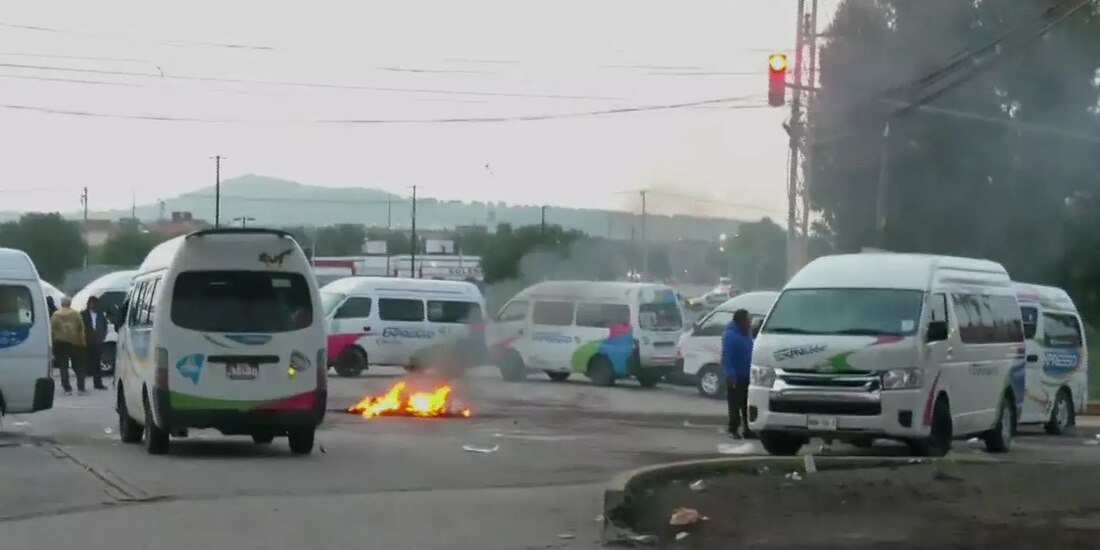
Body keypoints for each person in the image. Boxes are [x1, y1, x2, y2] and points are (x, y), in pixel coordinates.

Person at [721, 308, 754, 439]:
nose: (749, 323)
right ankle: (733, 429)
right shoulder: (730, 336)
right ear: (741, 321)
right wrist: (731, 375)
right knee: (735, 404)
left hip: (747, 375)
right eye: (747, 320)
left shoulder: (745, 334)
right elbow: (727, 358)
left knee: (746, 404)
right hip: (736, 376)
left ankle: (748, 429)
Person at [50, 297, 87, 395]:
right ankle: (81, 388)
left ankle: (67, 389)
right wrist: (82, 342)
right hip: (75, 343)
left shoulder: (56, 315)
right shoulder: (76, 314)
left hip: (60, 343)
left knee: (63, 366)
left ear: (62, 304)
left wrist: (52, 343)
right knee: (78, 366)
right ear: (70, 303)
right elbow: (81, 329)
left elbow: (52, 330)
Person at [81, 296, 110, 390]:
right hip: (86, 341)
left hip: (97, 341)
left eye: (94, 304)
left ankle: (98, 384)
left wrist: (102, 336)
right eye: (91, 303)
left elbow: (104, 326)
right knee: (84, 363)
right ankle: (81, 385)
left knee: (97, 363)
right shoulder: (83, 314)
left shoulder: (100, 315)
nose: (92, 305)